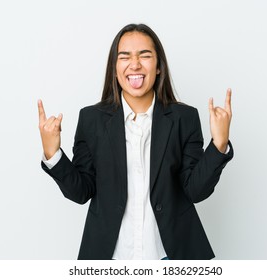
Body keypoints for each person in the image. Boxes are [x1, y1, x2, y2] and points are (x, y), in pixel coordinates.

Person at [38, 23, 233, 260]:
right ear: (114, 67)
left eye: (145, 55)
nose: (135, 64)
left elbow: (195, 190)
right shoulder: (92, 120)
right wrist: (53, 154)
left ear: (159, 66)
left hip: (171, 255)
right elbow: (81, 191)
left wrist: (219, 145)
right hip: (110, 257)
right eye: (125, 56)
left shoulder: (184, 118)